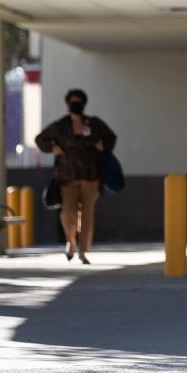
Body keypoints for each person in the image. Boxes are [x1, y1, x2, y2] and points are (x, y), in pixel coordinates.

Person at [35, 89, 117, 264]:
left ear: (84, 104)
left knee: (87, 214)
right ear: (67, 104)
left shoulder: (93, 124)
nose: (76, 105)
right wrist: (52, 148)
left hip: (91, 176)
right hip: (67, 176)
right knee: (68, 212)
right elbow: (40, 139)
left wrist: (103, 146)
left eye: (79, 102)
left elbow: (111, 137)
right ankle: (70, 240)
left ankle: (83, 251)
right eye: (73, 102)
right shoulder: (60, 126)